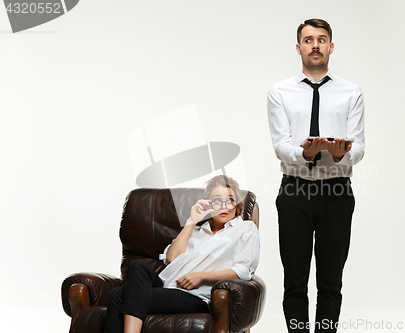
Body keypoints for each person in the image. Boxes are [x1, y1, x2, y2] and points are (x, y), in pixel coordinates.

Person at [267, 18, 365, 332]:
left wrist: (342, 154)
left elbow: (359, 146)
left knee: (330, 280)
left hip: (336, 192)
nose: (315, 45)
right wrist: (305, 153)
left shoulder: (351, 91)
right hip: (295, 191)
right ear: (299, 48)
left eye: (321, 39)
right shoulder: (279, 91)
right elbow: (281, 145)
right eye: (308, 40)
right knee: (295, 280)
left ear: (331, 47)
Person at [105, 176, 260, 333]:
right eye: (217, 200)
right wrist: (191, 221)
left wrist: (202, 276)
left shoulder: (245, 229)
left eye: (230, 200)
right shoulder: (196, 231)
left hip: (195, 295)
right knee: (137, 266)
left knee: (118, 296)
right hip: (166, 285)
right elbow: (172, 258)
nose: (224, 206)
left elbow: (243, 271)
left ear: (237, 204)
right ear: (208, 204)